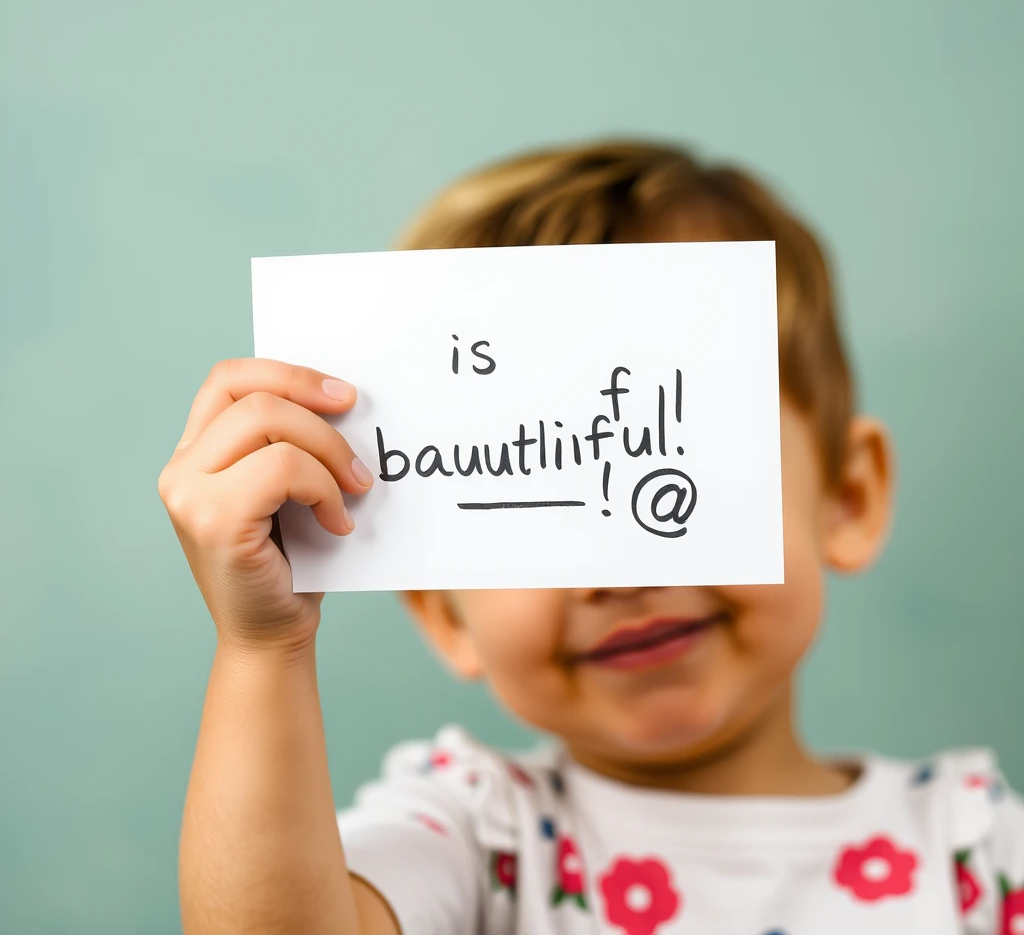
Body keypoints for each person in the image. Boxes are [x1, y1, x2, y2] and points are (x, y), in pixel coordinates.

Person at [160, 140, 1024, 934]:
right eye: (537, 500)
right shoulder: (476, 831)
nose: (618, 575)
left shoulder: (979, 851)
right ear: (441, 610)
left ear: (847, 496)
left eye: (675, 444)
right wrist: (262, 650)